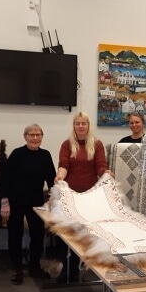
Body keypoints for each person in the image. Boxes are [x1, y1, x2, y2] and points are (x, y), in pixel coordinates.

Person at [54, 112, 109, 283]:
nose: (80, 126)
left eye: (83, 123)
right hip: (70, 197)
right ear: (74, 126)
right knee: (66, 234)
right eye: (77, 123)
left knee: (85, 235)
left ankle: (82, 268)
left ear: (88, 125)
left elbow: (100, 166)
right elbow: (64, 165)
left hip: (89, 198)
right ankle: (68, 268)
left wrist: (106, 173)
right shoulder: (66, 144)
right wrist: (60, 176)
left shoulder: (97, 144)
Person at [0, 124, 56, 285]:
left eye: (38, 135)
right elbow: (5, 179)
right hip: (15, 201)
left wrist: (53, 197)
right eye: (31, 135)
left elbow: (51, 180)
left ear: (42, 137)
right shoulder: (17, 154)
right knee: (15, 235)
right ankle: (17, 269)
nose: (35, 138)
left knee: (37, 235)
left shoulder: (45, 155)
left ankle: (34, 267)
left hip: (36, 202)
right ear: (25, 137)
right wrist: (5, 202)